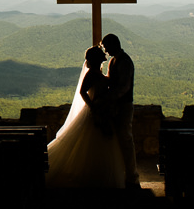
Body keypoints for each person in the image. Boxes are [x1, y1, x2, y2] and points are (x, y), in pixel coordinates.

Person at [45, 46, 125, 188]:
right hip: (95, 111)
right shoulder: (91, 74)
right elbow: (83, 92)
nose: (104, 54)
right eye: (101, 53)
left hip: (101, 110)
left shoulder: (97, 72)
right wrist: (93, 106)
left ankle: (98, 174)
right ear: (97, 58)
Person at [101, 33, 140, 189]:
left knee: (125, 141)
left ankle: (132, 177)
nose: (106, 51)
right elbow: (111, 80)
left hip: (124, 106)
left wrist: (109, 98)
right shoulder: (114, 61)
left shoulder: (125, 62)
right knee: (119, 142)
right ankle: (121, 174)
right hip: (116, 105)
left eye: (107, 47)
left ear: (114, 45)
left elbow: (124, 86)